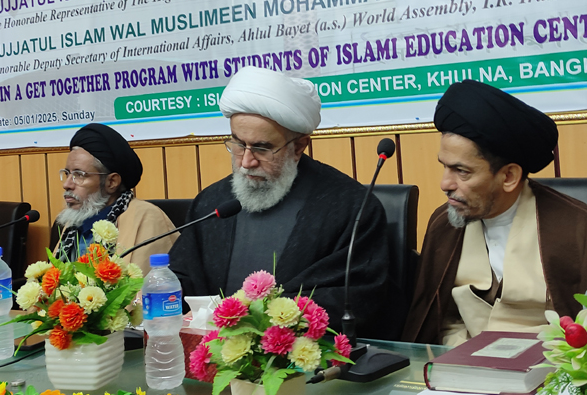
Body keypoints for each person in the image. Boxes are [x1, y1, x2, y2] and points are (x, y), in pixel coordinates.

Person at [168, 66, 393, 336]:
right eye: (238, 144)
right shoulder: (211, 202)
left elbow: (358, 298)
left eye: (262, 148)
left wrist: (256, 321)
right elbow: (182, 276)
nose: (246, 162)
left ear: (298, 146)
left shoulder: (351, 207)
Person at [402, 80, 587, 345]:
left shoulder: (577, 229)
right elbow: (434, 321)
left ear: (509, 176)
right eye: (445, 167)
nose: (445, 184)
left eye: (461, 171)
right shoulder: (443, 224)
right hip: (457, 372)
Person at [53, 123, 177, 275]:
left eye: (79, 175)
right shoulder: (73, 223)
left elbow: (141, 290)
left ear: (111, 182)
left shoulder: (147, 217)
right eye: (67, 174)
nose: (67, 184)